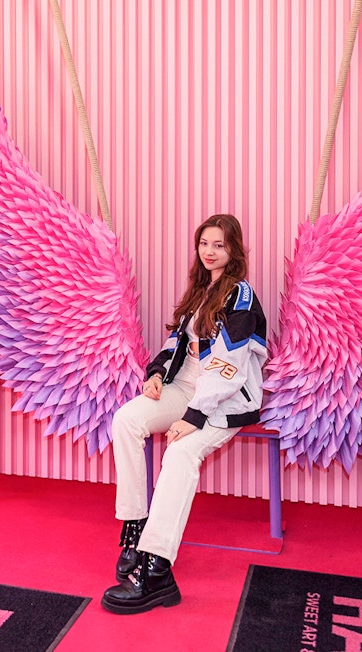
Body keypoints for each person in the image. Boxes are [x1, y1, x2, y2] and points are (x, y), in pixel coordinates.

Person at [102, 213, 267, 615]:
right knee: (126, 420)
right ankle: (135, 528)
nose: (209, 252)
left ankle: (156, 568)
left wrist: (192, 417)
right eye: (204, 244)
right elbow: (177, 340)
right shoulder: (200, 289)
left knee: (178, 453)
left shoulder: (240, 296)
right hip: (184, 387)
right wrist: (158, 373)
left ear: (234, 250)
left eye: (219, 245)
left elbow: (227, 369)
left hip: (224, 400)